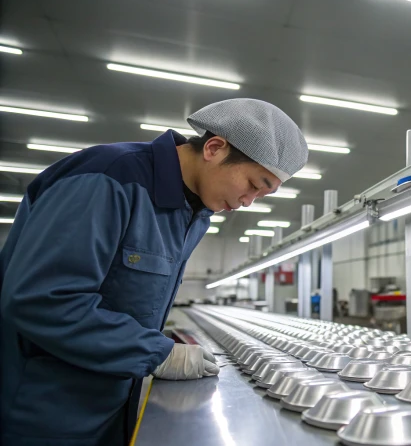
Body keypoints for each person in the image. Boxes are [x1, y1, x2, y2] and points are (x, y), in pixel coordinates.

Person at [0, 98, 309, 445]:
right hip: (42, 414)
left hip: (109, 406)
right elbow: (41, 300)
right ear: (214, 148)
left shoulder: (193, 213)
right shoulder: (108, 179)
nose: (249, 200)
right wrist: (154, 352)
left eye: (264, 194)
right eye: (254, 183)